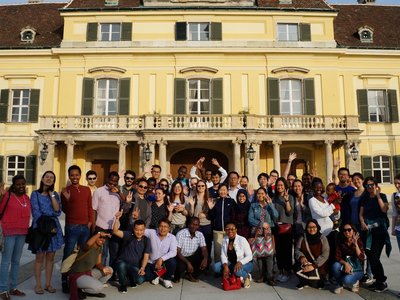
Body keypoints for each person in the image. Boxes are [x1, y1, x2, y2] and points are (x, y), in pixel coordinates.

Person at [61, 165, 93, 293]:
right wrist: (67, 200)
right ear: (69, 176)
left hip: (85, 226)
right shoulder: (65, 191)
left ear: (80, 175)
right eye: (72, 175)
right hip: (72, 226)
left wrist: (90, 222)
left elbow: (89, 207)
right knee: (68, 253)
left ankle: (78, 279)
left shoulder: (86, 190)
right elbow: (65, 210)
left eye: (77, 174)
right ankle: (64, 279)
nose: (74, 177)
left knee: (81, 254)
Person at [30, 171, 63, 295]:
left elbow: (57, 211)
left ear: (54, 181)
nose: (49, 179)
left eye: (52, 178)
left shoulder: (55, 195)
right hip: (40, 228)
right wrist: (47, 220)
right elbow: (36, 212)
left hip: (53, 229)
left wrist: (52, 195)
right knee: (39, 257)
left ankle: (48, 284)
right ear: (42, 179)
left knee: (50, 257)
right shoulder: (35, 194)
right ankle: (38, 285)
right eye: (47, 177)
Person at [0, 175, 31, 300]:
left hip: (22, 232)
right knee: (6, 261)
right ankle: (2, 289)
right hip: (8, 233)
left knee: (16, 261)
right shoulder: (7, 196)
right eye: (18, 184)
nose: (21, 186)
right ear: (13, 185)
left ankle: (13, 287)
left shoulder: (26, 198)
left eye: (23, 184)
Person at [359, 176, 390, 293]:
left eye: (372, 185)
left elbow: (384, 209)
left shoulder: (382, 196)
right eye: (368, 185)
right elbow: (361, 213)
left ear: (376, 186)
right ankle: (378, 281)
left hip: (379, 232)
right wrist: (362, 222)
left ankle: (382, 281)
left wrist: (378, 195)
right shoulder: (365, 198)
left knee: (375, 257)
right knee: (370, 257)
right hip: (367, 231)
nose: (370, 187)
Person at [68, 232, 113, 300]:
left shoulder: (99, 248)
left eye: (104, 239)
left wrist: (103, 268)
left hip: (88, 273)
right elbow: (88, 244)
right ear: (95, 237)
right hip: (77, 275)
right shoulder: (86, 246)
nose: (102, 240)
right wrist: (99, 233)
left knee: (110, 270)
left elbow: (98, 263)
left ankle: (90, 288)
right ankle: (81, 290)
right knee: (99, 287)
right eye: (100, 237)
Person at [113, 212, 150, 293]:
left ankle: (130, 277)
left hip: (134, 266)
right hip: (123, 262)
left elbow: (146, 256)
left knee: (140, 280)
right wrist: (117, 219)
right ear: (134, 229)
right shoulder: (128, 235)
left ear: (144, 229)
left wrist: (142, 268)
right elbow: (115, 231)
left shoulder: (146, 240)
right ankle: (123, 285)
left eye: (141, 230)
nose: (139, 232)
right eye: (137, 230)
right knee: (121, 265)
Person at [92, 171, 122, 268]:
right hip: (101, 227)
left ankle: (112, 275)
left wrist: (118, 192)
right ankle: (102, 274)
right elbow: (94, 210)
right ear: (107, 179)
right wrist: (94, 227)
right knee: (103, 254)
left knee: (114, 253)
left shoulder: (118, 193)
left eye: (115, 182)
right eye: (111, 181)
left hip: (114, 228)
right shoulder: (98, 191)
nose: (113, 183)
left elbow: (126, 203)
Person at [213, 222, 253, 289]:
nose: (230, 231)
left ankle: (246, 276)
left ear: (236, 230)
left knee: (237, 271)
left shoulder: (242, 239)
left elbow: (249, 256)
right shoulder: (225, 239)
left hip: (246, 263)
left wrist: (240, 262)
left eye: (232, 229)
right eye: (228, 229)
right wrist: (225, 266)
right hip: (231, 263)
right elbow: (223, 255)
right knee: (216, 267)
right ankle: (232, 274)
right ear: (225, 230)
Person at [294, 219, 329, 290]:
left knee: (315, 283)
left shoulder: (322, 238)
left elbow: (325, 254)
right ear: (306, 228)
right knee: (296, 266)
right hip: (306, 263)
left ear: (317, 227)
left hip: (318, 264)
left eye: (314, 227)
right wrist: (302, 257)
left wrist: (313, 266)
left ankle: (319, 281)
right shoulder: (302, 237)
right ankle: (303, 281)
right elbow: (297, 250)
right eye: (309, 227)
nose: (312, 229)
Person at [144, 218, 177, 289]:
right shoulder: (152, 232)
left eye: (165, 227)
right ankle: (157, 275)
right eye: (161, 226)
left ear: (169, 228)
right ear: (158, 227)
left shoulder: (172, 237)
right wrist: (134, 219)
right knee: (146, 277)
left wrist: (161, 259)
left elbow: (173, 252)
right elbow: (139, 229)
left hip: (163, 263)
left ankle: (167, 279)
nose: (162, 229)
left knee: (172, 262)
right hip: (151, 262)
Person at [332, 223, 365, 294]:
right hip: (346, 267)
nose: (347, 232)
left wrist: (355, 244)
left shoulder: (358, 241)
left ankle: (356, 281)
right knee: (335, 265)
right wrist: (345, 263)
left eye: (349, 230)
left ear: (353, 231)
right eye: (345, 230)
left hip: (357, 269)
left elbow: (361, 257)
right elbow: (337, 257)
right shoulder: (341, 241)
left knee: (346, 280)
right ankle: (339, 284)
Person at [207, 184, 236, 263]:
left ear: (227, 191)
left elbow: (234, 215)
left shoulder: (231, 201)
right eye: (221, 190)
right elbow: (211, 217)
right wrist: (210, 208)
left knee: (229, 250)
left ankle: (229, 268)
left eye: (224, 190)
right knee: (217, 251)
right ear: (218, 191)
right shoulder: (215, 201)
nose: (222, 192)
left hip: (229, 231)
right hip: (218, 230)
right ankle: (218, 269)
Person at [273, 177, 294, 283]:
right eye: (278, 185)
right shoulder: (274, 198)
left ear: (285, 186)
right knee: (279, 251)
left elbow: (290, 212)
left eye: (281, 185)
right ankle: (280, 271)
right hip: (277, 227)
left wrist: (286, 200)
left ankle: (287, 272)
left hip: (286, 228)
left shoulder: (290, 197)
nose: (279, 187)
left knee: (287, 251)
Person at [174, 217, 208, 282]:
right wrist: (188, 263)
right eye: (192, 224)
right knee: (180, 267)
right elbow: (177, 252)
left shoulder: (200, 234)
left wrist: (205, 259)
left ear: (198, 226)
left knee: (207, 260)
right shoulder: (181, 233)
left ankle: (191, 275)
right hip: (181, 257)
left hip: (192, 256)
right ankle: (176, 276)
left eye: (196, 225)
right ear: (188, 224)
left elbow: (204, 249)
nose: (194, 226)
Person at [188, 180, 213, 265]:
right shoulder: (193, 198)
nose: (201, 187)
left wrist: (205, 215)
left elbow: (212, 213)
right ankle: (197, 265)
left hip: (207, 225)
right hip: (196, 226)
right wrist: (191, 206)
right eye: (199, 186)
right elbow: (191, 214)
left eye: (202, 186)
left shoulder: (209, 198)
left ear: (205, 187)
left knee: (207, 246)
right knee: (196, 246)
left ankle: (206, 265)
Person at [391, 174, 400, 253]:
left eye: (399, 183)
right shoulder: (394, 196)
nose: (397, 185)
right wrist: (393, 228)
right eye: (395, 184)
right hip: (398, 228)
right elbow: (394, 213)